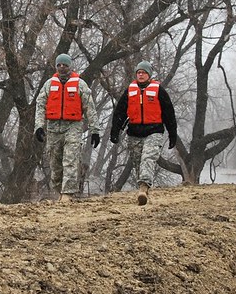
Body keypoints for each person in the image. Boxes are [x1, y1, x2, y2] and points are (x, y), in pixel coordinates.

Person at [109, 61, 178, 205]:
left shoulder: (158, 90)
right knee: (138, 162)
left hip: (154, 131)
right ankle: (144, 191)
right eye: (138, 72)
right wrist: (115, 131)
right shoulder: (130, 90)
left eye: (143, 72)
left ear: (149, 75)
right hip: (134, 132)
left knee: (148, 158)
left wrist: (173, 134)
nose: (140, 75)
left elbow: (169, 113)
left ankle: (143, 187)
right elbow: (120, 112)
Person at [34, 54, 100, 201]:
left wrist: (95, 130)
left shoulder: (80, 85)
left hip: (73, 127)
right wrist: (38, 126)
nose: (62, 67)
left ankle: (67, 194)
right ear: (56, 67)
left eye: (65, 65)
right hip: (53, 127)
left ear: (70, 66)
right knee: (55, 164)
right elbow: (40, 105)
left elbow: (90, 107)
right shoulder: (49, 85)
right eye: (59, 65)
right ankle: (59, 191)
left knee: (70, 159)